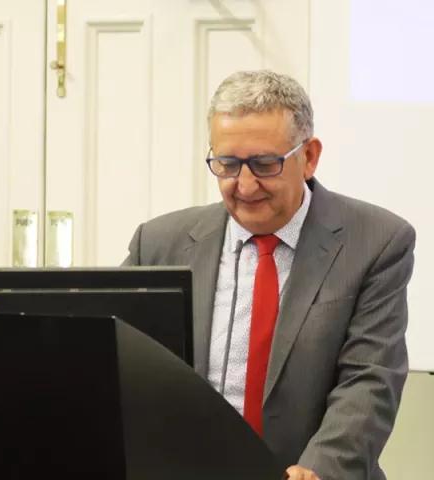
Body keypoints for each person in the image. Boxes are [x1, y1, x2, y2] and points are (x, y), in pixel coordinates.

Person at [123, 70, 415, 480]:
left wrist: (318, 469)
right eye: (227, 164)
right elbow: (122, 367)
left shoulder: (375, 242)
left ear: (308, 157)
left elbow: (369, 380)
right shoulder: (159, 243)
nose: (244, 185)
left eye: (264, 164)